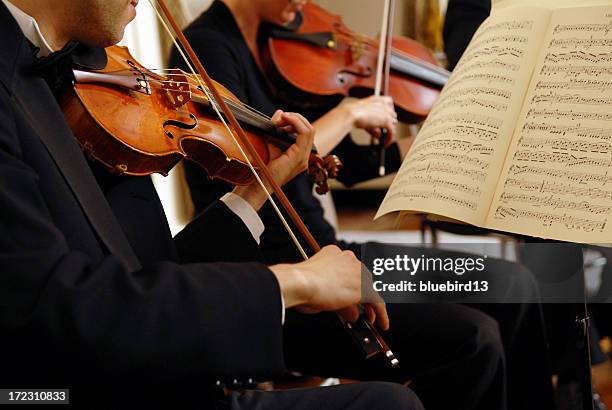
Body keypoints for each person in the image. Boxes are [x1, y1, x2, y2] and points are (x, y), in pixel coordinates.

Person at [0, 0, 428, 408]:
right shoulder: (208, 46)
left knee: (486, 289)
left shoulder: (80, 72)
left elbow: (146, 270)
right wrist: (296, 282)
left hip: (298, 273)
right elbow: (61, 310)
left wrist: (261, 187)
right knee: (464, 336)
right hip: (121, 374)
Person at [171, 1, 555, 409]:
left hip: (335, 255)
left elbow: (331, 163)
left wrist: (426, 145)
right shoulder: (205, 47)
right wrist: (350, 112)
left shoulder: (278, 43)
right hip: (282, 284)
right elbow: (259, 164)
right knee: (475, 340)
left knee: (515, 286)